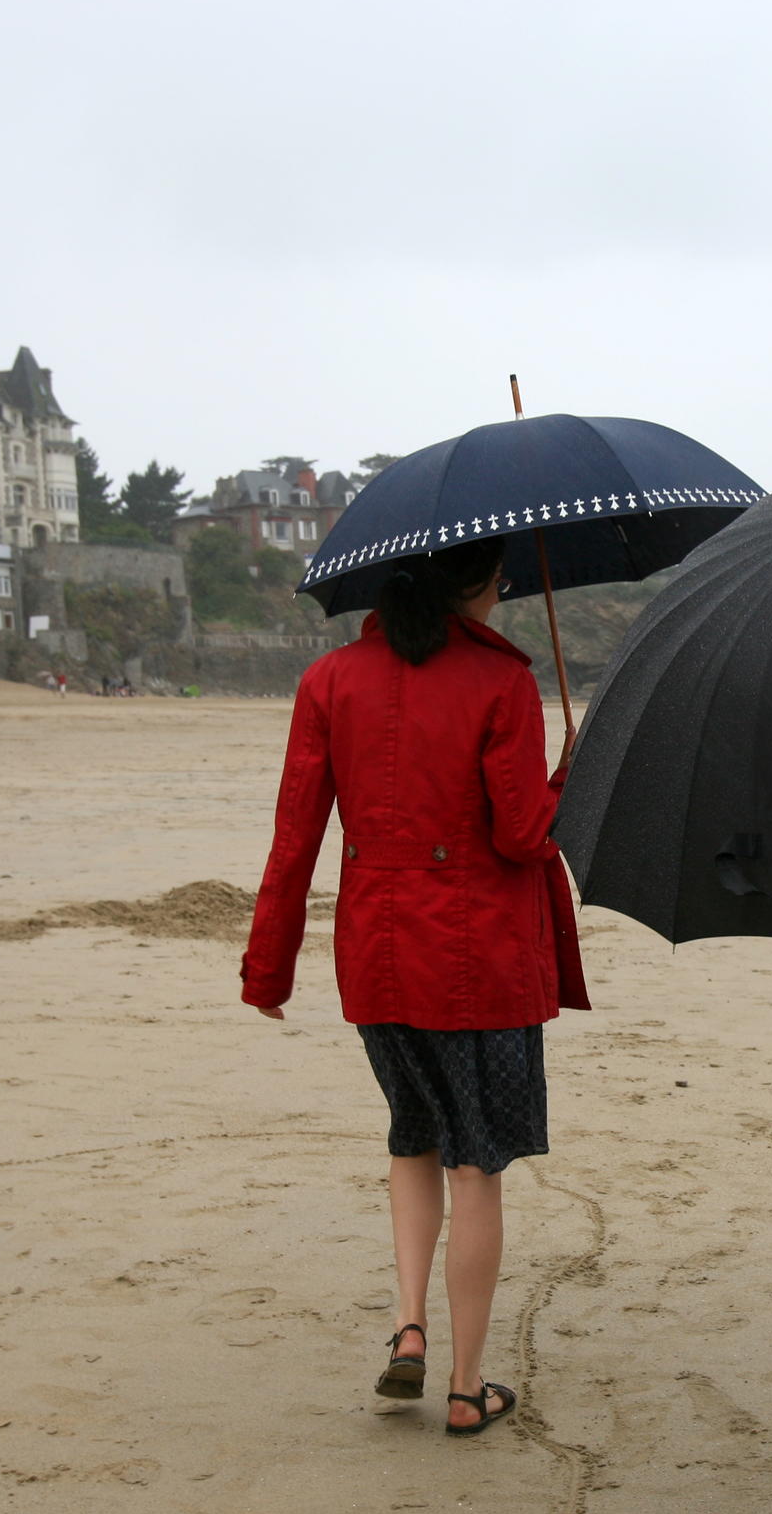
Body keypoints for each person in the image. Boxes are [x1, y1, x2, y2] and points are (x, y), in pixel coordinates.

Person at [240, 537, 588, 1437]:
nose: (508, 587)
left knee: (412, 1137)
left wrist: (268, 967)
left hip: (378, 955)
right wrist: (570, 780)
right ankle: (469, 1388)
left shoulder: (330, 680)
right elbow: (521, 834)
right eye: (500, 574)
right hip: (481, 966)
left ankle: (409, 1328)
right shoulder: (501, 681)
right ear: (473, 581)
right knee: (477, 1164)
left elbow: (295, 835)